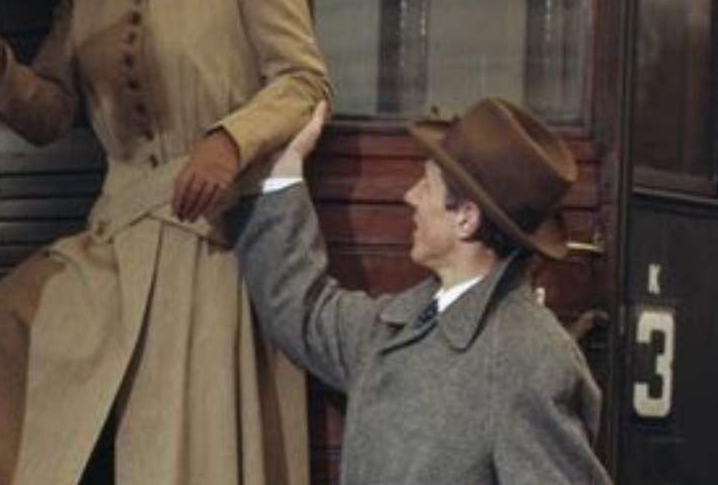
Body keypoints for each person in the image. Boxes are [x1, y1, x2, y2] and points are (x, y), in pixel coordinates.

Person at [0, 0, 330, 485]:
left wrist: (227, 141)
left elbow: (303, 80)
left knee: (180, 455)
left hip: (210, 237)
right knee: (0, 319)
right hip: (114, 240)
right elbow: (47, 115)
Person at [233, 97, 613, 485]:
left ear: (466, 219)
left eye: (426, 185)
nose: (410, 196)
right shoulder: (400, 324)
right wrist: (285, 170)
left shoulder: (530, 359)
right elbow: (307, 312)